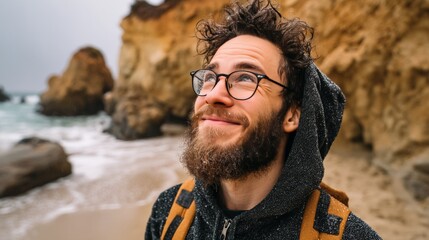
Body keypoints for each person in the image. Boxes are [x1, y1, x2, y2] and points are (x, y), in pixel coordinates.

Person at [145, 0, 381, 239]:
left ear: (292, 114)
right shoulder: (170, 213)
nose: (214, 94)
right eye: (210, 77)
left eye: (246, 78)